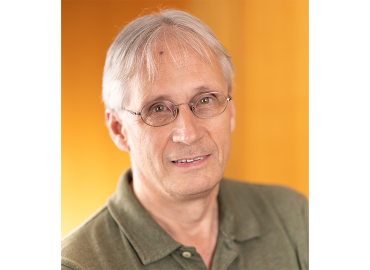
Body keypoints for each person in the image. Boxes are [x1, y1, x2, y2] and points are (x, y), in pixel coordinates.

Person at [61, 9, 308, 270]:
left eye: (205, 100)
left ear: (231, 111)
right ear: (118, 129)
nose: (188, 133)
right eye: (158, 109)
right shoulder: (77, 264)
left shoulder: (292, 217)